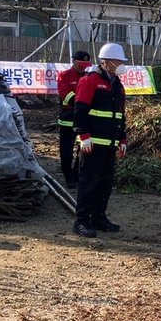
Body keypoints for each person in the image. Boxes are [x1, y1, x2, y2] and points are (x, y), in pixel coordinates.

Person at [72, 42, 128, 238]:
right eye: (118, 61)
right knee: (88, 184)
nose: (121, 64)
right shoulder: (90, 80)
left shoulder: (117, 85)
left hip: (109, 144)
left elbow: (120, 115)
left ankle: (98, 217)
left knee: (105, 184)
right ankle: (81, 221)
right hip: (92, 144)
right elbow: (80, 110)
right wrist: (83, 135)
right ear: (106, 62)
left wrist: (122, 138)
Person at [57, 50, 92, 188]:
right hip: (68, 119)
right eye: (81, 64)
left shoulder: (88, 77)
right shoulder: (64, 76)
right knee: (66, 149)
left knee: (83, 148)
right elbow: (66, 95)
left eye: (85, 65)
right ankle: (67, 175)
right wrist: (82, 104)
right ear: (74, 62)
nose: (83, 67)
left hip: (83, 119)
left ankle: (77, 173)